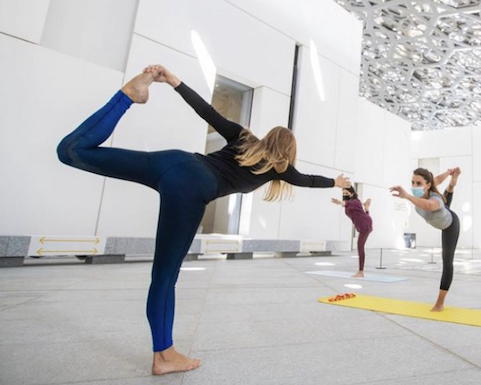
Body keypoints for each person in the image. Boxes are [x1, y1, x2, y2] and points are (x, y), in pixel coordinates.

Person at [56, 65, 350, 375]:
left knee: (72, 151)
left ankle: (126, 97)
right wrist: (337, 183)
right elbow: (308, 180)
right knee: (165, 276)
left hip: (175, 160)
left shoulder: (244, 138)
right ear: (289, 152)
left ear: (269, 137)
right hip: (190, 187)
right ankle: (164, 355)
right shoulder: (280, 168)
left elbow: (207, 111)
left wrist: (173, 81)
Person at [390, 167, 461, 311]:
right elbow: (437, 180)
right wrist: (449, 172)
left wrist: (407, 197)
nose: (415, 186)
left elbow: (429, 206)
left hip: (450, 225)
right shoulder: (428, 186)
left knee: (447, 261)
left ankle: (440, 303)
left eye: (418, 183)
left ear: (427, 185)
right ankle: (452, 182)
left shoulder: (434, 199)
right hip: (442, 214)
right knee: (445, 204)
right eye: (413, 182)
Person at [331, 186, 372, 277]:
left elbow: (346, 203)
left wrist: (339, 202)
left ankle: (361, 272)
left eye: (347, 193)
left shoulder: (354, 202)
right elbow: (350, 205)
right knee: (360, 245)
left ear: (352, 194)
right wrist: (365, 206)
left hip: (365, 225)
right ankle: (367, 208)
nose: (345, 195)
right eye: (343, 193)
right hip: (363, 224)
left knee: (360, 246)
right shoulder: (354, 202)